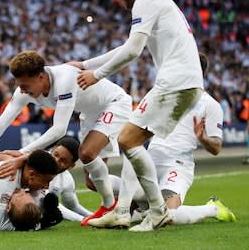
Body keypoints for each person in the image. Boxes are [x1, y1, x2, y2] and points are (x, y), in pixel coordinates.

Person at [73, 0, 203, 231]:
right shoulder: (156, 1)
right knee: (132, 141)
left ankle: (157, 211)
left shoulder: (147, 0)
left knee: (127, 139)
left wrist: (96, 75)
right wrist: (85, 64)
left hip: (176, 82)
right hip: (182, 82)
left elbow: (133, 50)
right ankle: (122, 211)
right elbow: (127, 47)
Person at [0, 50, 132, 223]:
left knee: (86, 153)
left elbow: (59, 129)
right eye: (18, 85)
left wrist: (22, 154)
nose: (22, 91)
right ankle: (137, 199)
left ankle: (110, 208)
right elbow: (0, 123)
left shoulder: (64, 80)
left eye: (25, 85)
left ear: (40, 77)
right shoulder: (24, 91)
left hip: (113, 104)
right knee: (92, 181)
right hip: (89, 114)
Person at [89, 53, 236, 228]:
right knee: (93, 178)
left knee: (169, 215)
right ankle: (140, 210)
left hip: (177, 165)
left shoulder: (210, 105)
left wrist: (203, 138)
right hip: (148, 160)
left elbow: (216, 147)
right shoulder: (163, 96)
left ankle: (211, 208)